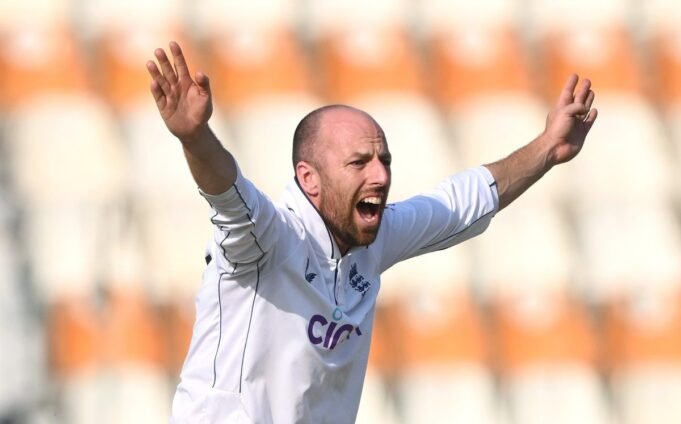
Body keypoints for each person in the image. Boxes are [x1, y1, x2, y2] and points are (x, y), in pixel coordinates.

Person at [146, 41, 597, 423]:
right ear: (309, 179)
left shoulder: (372, 238)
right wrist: (195, 138)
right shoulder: (270, 239)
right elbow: (228, 194)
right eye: (359, 163)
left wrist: (547, 148)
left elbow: (460, 204)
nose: (380, 176)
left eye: (385, 161)